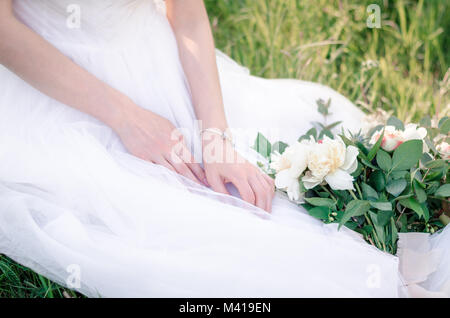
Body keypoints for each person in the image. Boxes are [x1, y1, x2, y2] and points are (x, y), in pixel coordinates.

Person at [0, 0, 447, 297]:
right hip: (56, 91)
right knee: (183, 225)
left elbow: (188, 15)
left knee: (261, 175)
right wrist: (126, 117)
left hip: (162, 66)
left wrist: (215, 137)